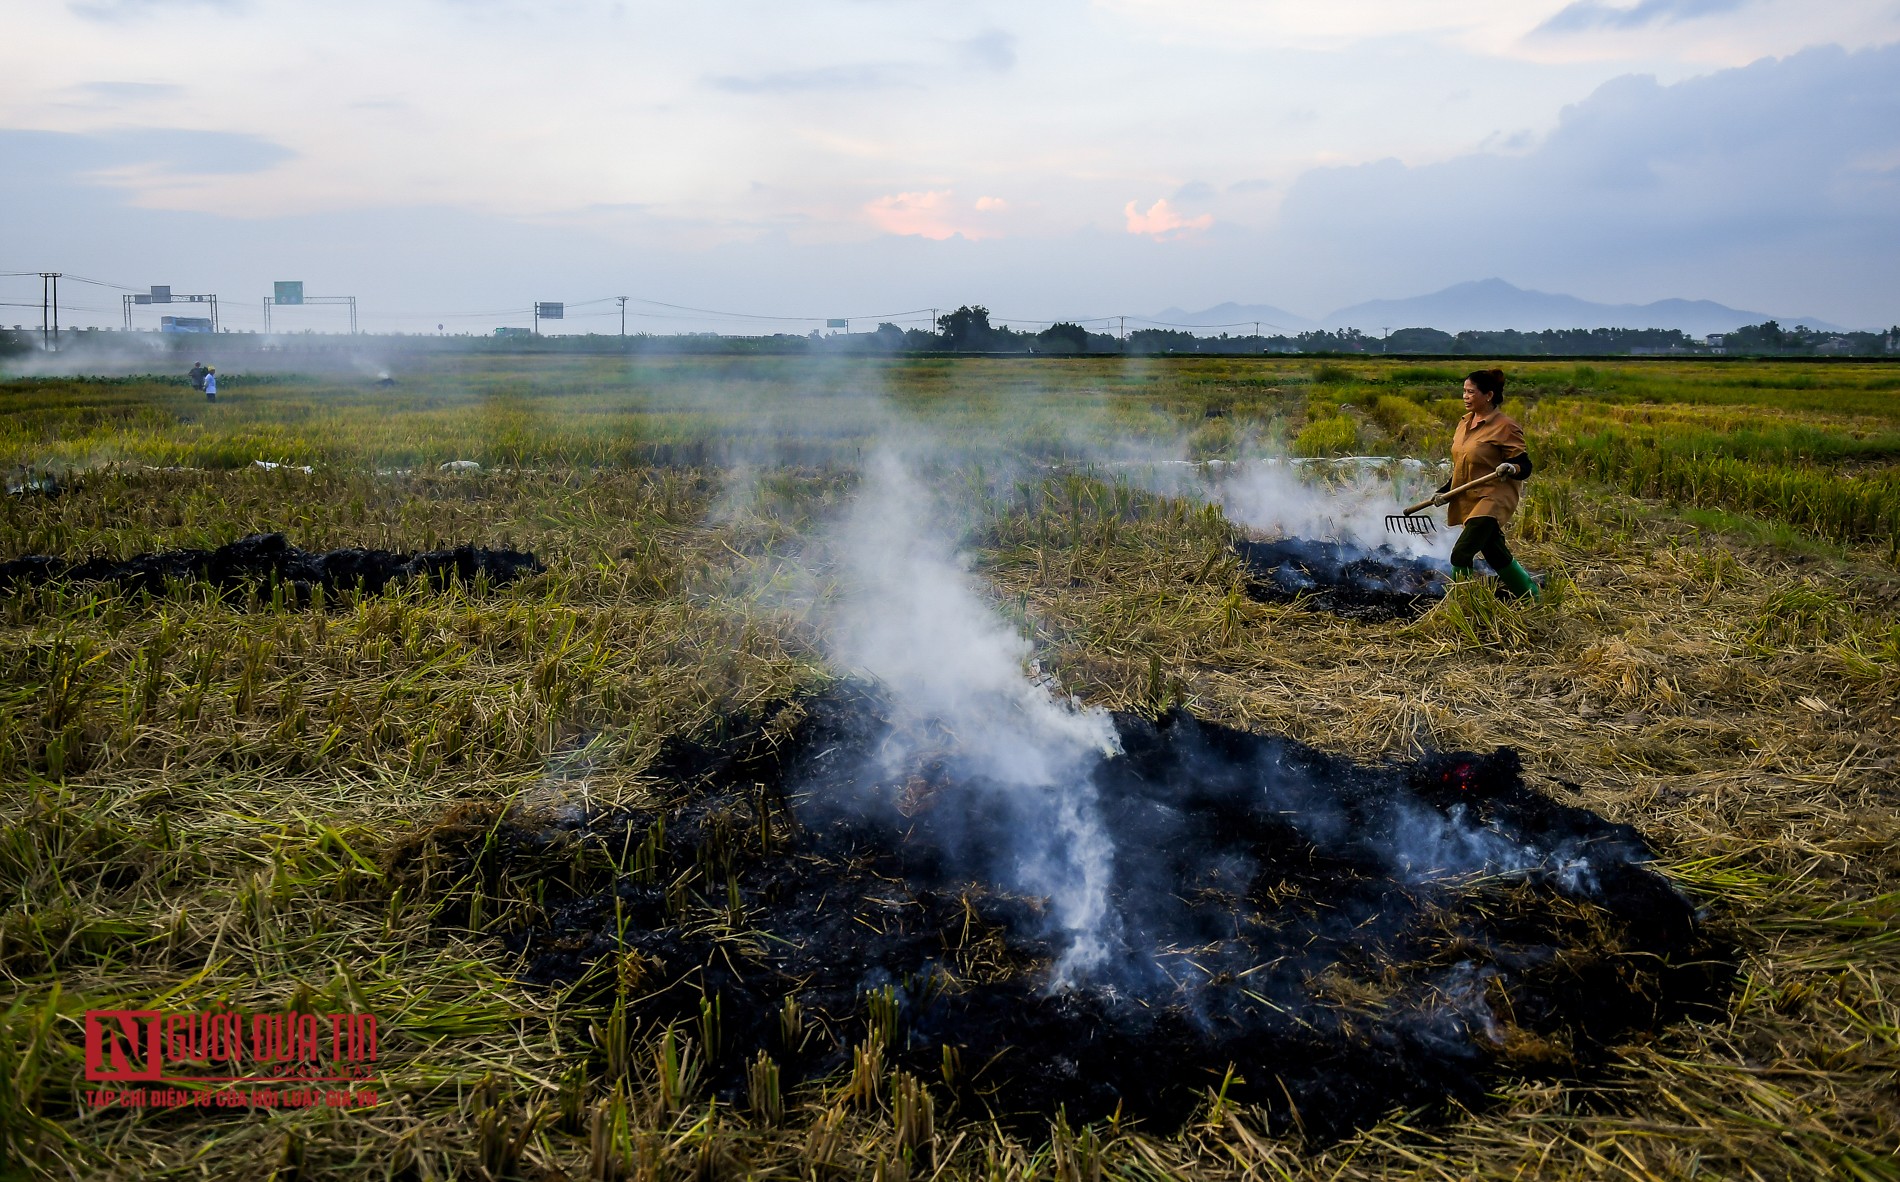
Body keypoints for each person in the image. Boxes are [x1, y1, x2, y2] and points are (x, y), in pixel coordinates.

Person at [1440, 368, 1539, 599]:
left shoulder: (1505, 426)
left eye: (1471, 392)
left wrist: (1510, 467)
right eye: (1464, 391)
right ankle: (1532, 597)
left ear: (1489, 395)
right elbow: (1462, 465)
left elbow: (1525, 466)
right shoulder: (1464, 423)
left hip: (1493, 499)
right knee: (1495, 553)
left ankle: (1461, 605)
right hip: (1470, 497)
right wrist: (1444, 491)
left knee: (1461, 553)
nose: (1465, 396)